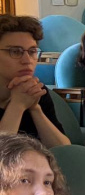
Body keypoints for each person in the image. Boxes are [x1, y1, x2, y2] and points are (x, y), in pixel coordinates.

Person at [0, 16, 70, 148]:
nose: (27, 60)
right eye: (15, 51)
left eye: (32, 52)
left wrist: (35, 109)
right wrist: (17, 105)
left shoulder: (35, 91)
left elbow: (64, 151)